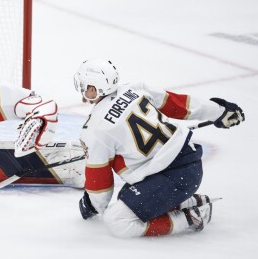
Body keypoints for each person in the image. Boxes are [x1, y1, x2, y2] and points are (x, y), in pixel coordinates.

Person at [74, 58, 245, 237]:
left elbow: (100, 181)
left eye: (84, 85)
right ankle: (190, 201)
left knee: (117, 220)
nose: (82, 89)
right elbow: (180, 105)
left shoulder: (95, 130)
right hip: (189, 163)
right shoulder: (135, 88)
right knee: (126, 200)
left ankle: (191, 217)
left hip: (173, 177)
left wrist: (93, 205)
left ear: (93, 89)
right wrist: (219, 111)